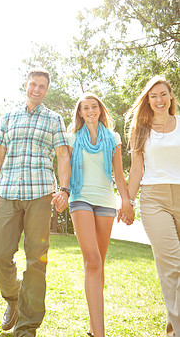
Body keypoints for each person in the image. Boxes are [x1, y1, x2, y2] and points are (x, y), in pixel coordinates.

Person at [0, 68, 71, 337]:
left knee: (36, 261)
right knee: (0, 253)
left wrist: (64, 190)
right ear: (26, 85)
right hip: (8, 193)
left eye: (42, 86)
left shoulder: (54, 119)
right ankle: (13, 298)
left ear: (47, 89)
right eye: (33, 84)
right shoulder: (8, 116)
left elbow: (62, 156)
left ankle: (27, 326)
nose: (37, 89)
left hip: (40, 194)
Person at [68, 92, 132, 337]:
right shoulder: (72, 136)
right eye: (86, 108)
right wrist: (63, 190)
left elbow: (118, 173)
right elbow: (66, 164)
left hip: (105, 201)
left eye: (94, 107)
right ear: (80, 113)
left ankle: (94, 327)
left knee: (98, 266)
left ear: (100, 110)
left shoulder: (112, 137)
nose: (91, 111)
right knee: (92, 261)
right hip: (80, 197)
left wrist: (126, 201)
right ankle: (101, 334)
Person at [123, 75, 180, 337]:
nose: (159, 100)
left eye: (163, 94)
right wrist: (127, 202)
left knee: (174, 272)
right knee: (172, 267)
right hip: (154, 199)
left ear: (171, 96)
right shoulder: (141, 130)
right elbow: (136, 170)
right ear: (148, 100)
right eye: (153, 96)